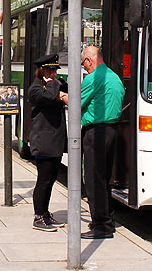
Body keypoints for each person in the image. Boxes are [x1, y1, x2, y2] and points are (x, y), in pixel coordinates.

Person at [78, 46, 125, 239]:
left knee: (93, 180)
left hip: (95, 132)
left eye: (83, 64)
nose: (84, 68)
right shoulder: (114, 77)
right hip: (112, 131)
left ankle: (101, 225)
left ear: (89, 60)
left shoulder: (93, 78)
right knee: (103, 179)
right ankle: (107, 219)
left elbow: (77, 102)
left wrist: (62, 96)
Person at [27, 54, 67, 231]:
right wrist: (53, 84)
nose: (53, 73)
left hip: (54, 141)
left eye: (55, 70)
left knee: (51, 179)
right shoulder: (35, 90)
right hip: (43, 142)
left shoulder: (50, 86)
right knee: (43, 180)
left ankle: (45, 213)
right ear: (42, 70)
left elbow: (66, 89)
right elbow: (50, 96)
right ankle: (38, 217)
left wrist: (59, 84)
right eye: (50, 70)